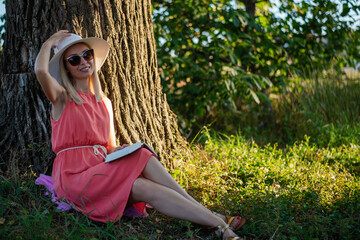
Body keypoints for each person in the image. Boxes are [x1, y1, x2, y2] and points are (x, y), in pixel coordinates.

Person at [34, 30, 245, 239]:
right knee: (139, 170)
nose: (83, 62)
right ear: (66, 68)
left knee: (141, 167)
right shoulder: (62, 98)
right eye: (74, 59)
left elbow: (110, 147)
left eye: (87, 54)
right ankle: (219, 222)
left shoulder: (105, 103)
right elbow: (41, 72)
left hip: (100, 169)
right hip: (75, 177)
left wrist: (123, 150)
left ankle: (214, 222)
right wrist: (50, 42)